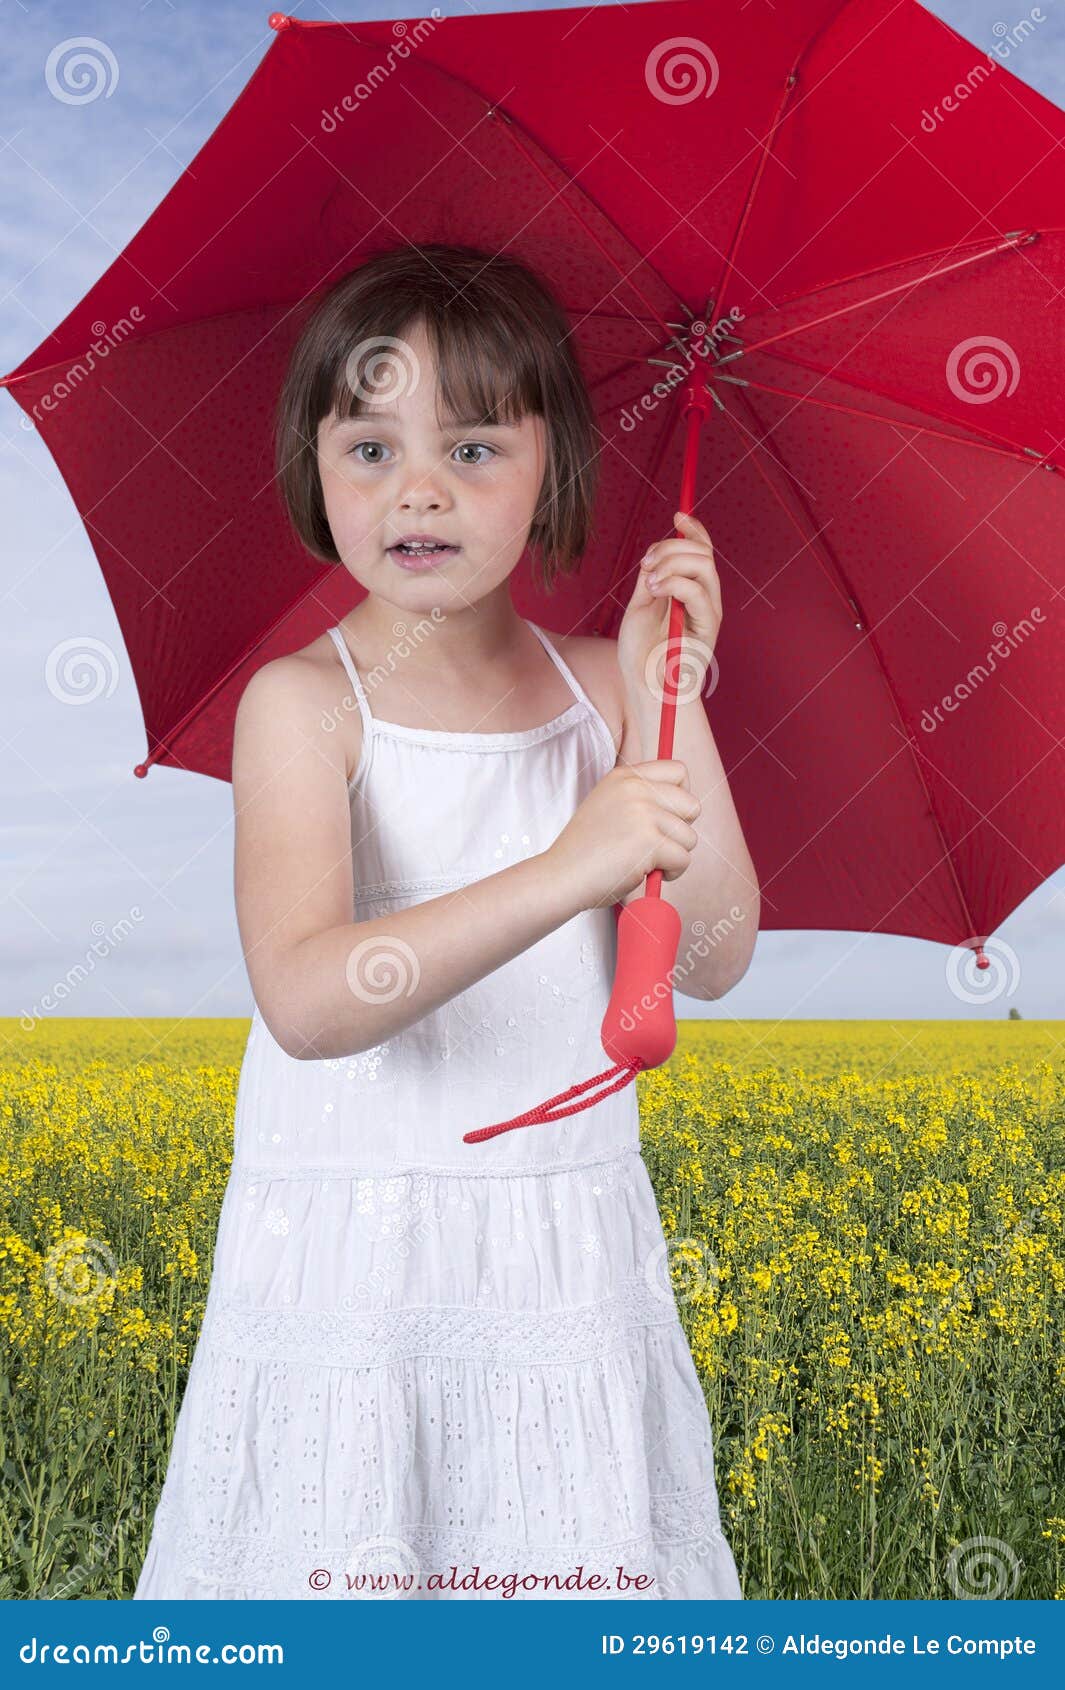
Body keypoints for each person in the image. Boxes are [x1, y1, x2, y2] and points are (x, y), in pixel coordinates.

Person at [133, 242, 755, 1601]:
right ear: (313, 468)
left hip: (558, 1261)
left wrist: (670, 696)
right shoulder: (303, 706)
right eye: (369, 447)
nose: (418, 487)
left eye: (474, 448)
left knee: (563, 1580)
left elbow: (713, 958)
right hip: (356, 1264)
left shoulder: (609, 694)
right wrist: (566, 863)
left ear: (555, 472)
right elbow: (305, 997)